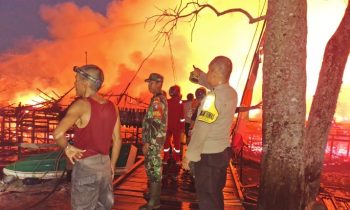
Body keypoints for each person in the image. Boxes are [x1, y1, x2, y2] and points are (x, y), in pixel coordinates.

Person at [53, 64, 122, 210]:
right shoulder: (113, 106)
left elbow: (58, 133)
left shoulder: (81, 105)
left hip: (86, 167)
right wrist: (112, 165)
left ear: (85, 82)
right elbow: (117, 140)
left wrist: (67, 147)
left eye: (76, 79)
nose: (74, 83)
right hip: (105, 167)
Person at [182, 56, 237, 210]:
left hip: (207, 157)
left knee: (207, 198)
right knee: (215, 195)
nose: (207, 73)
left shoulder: (212, 98)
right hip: (221, 153)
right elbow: (213, 84)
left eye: (209, 70)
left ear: (214, 72)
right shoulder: (231, 92)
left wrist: (189, 156)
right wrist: (200, 76)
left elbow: (201, 129)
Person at [140, 73, 168, 210]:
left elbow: (155, 123)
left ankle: (154, 202)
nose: (149, 85)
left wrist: (147, 142)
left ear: (159, 83)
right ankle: (153, 197)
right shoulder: (157, 99)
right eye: (148, 82)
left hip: (153, 142)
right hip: (155, 141)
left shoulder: (157, 101)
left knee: (154, 169)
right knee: (152, 169)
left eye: (151, 83)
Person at [163, 85, 185, 165]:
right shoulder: (180, 102)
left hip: (167, 126)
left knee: (166, 143)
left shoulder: (166, 102)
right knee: (177, 144)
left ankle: (165, 159)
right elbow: (182, 117)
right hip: (176, 127)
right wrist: (182, 128)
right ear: (178, 92)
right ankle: (177, 160)